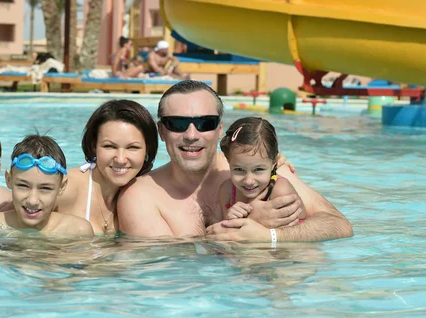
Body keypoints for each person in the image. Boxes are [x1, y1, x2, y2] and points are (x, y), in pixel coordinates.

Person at [117, 80, 353, 242]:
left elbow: (339, 225)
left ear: (220, 129)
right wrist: (250, 222)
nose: (191, 135)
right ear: (161, 131)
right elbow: (164, 270)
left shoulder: (262, 172)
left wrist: (272, 236)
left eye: (205, 123)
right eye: (177, 123)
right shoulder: (140, 197)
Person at [54, 100, 158, 235]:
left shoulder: (144, 197)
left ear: (147, 151)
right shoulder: (65, 188)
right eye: (109, 146)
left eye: (133, 147)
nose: (120, 159)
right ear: (93, 146)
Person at [0, 135, 94, 236]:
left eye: (45, 188)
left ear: (62, 186)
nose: (32, 201)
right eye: (23, 186)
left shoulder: (78, 231)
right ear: (9, 179)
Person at [219, 117, 307, 223]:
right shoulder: (227, 190)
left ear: (274, 161)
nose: (248, 181)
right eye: (239, 169)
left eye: (258, 169)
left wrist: (250, 221)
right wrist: (229, 219)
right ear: (228, 160)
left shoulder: (280, 191)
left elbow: (295, 233)